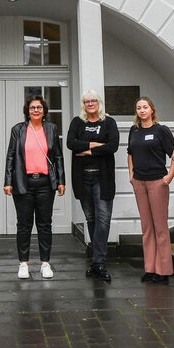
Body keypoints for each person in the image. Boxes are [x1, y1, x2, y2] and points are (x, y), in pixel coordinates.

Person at [3, 93, 65, 280]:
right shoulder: (18, 130)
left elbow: (58, 157)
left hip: (45, 183)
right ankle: (23, 264)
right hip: (23, 182)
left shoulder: (51, 128)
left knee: (45, 224)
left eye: (39, 107)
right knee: (24, 225)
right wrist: (7, 181)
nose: (36, 110)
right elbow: (11, 156)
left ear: (44, 110)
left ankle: (45, 263)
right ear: (27, 111)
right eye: (32, 108)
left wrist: (61, 180)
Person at [67, 89, 118, 281]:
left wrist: (87, 150)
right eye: (87, 101)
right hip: (83, 179)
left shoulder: (108, 122)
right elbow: (71, 143)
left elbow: (112, 146)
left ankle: (99, 262)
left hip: (102, 180)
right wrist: (97, 145)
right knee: (91, 220)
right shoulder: (77, 122)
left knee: (103, 221)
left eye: (93, 101)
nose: (90, 104)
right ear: (83, 104)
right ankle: (97, 262)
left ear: (99, 103)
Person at [127, 97, 174, 284]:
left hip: (157, 182)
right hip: (139, 182)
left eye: (145, 107)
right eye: (138, 108)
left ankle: (163, 270)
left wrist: (169, 177)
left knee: (160, 227)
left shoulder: (160, 130)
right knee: (146, 227)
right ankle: (150, 268)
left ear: (152, 110)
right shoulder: (134, 130)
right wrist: (131, 176)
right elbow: (130, 153)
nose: (142, 110)